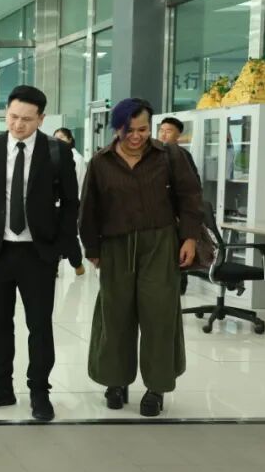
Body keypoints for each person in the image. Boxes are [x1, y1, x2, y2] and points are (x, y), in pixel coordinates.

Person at [80, 97, 203, 417]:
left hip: (160, 243)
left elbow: (190, 197)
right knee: (115, 315)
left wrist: (189, 237)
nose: (136, 136)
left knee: (159, 315)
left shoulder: (169, 156)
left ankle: (156, 387)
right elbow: (89, 208)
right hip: (115, 245)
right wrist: (92, 249)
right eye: (129, 130)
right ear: (117, 129)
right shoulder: (101, 162)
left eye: (143, 129)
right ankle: (115, 382)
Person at [0, 86, 79, 421]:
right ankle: (0, 386)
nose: (18, 125)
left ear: (41, 119)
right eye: (13, 117)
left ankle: (40, 391)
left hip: (37, 252)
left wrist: (59, 246)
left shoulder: (57, 152)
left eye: (27, 119)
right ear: (6, 113)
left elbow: (71, 203)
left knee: (39, 325)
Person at [53, 127, 87, 276]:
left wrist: (78, 208)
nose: (58, 140)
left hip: (70, 205)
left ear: (70, 140)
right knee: (52, 236)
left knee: (69, 237)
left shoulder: (77, 159)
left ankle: (77, 263)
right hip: (53, 205)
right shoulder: (52, 155)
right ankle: (53, 268)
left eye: (61, 137)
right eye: (55, 137)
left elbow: (81, 184)